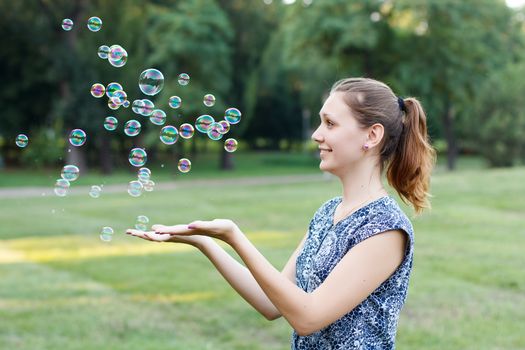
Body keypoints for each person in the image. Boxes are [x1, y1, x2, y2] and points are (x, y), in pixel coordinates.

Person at [126, 77, 436, 349]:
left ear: (372, 135)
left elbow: (308, 317)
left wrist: (235, 236)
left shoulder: (384, 228)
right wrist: (206, 243)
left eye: (330, 123)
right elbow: (270, 302)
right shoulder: (328, 212)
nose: (316, 134)